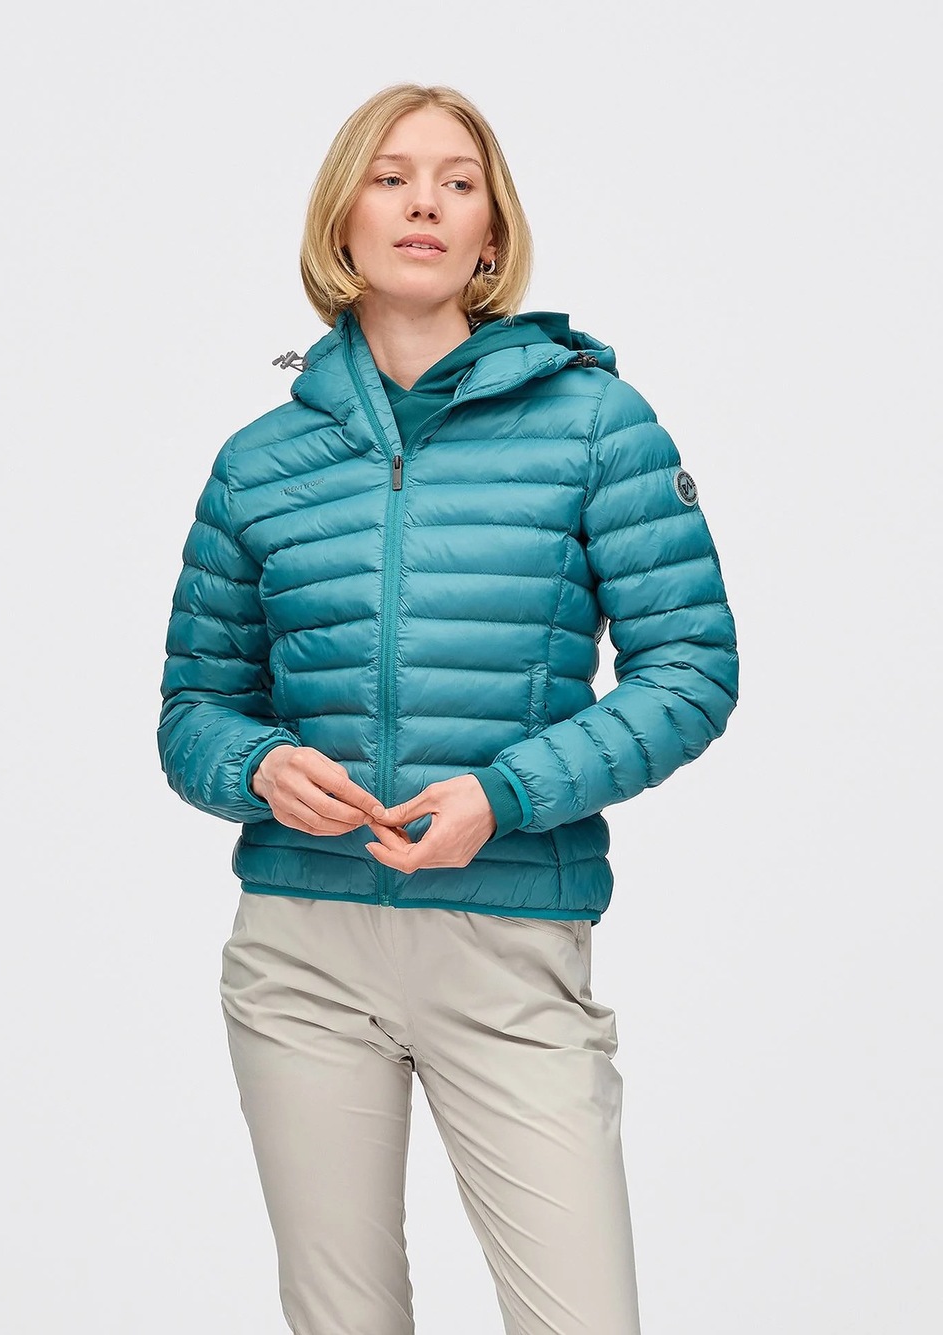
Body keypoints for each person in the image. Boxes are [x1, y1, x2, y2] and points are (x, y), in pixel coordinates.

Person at [157, 81, 738, 1335]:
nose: (423, 201)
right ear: (343, 220)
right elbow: (196, 706)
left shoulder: (597, 424)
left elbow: (691, 668)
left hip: (507, 939)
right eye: (391, 177)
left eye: (457, 182)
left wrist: (505, 793)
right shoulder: (259, 462)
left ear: (489, 234)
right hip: (302, 949)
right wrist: (257, 769)